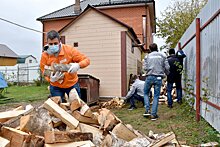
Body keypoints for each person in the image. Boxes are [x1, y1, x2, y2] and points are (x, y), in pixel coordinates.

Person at [40, 30, 90, 102]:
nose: (53, 46)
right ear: (47, 43)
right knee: (58, 108)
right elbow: (43, 70)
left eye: (55, 43)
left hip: (72, 85)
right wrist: (50, 79)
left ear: (60, 41)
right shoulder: (45, 55)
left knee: (76, 107)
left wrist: (78, 65)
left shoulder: (69, 50)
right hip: (55, 86)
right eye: (50, 44)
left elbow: (86, 60)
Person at [143, 43, 170, 120]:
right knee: (156, 96)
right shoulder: (163, 56)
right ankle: (153, 114)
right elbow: (167, 67)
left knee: (145, 93)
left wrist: (149, 70)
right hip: (158, 77)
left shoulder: (147, 56)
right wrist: (166, 74)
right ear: (157, 48)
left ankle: (147, 110)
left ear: (150, 49)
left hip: (149, 77)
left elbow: (144, 68)